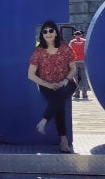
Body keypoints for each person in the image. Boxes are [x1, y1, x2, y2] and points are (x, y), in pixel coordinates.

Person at [27, 20, 77, 153]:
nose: (48, 33)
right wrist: (47, 85)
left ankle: (43, 121)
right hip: (46, 85)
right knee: (58, 102)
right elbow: (31, 75)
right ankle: (64, 142)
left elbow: (73, 69)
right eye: (45, 31)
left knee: (59, 96)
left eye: (51, 30)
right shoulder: (39, 51)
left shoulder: (65, 47)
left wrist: (65, 80)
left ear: (56, 32)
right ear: (42, 34)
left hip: (66, 83)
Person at [69, 30, 90, 99]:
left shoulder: (72, 42)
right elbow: (88, 50)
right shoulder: (85, 41)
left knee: (75, 79)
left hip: (75, 62)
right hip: (83, 62)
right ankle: (85, 94)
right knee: (84, 78)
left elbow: (69, 51)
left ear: (75, 35)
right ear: (81, 35)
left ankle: (77, 93)